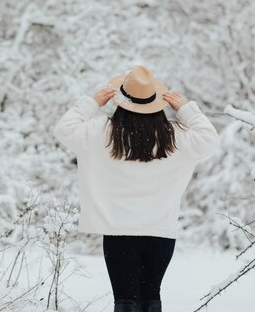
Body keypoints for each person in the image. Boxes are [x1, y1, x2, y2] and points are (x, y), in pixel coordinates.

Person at [52, 65, 220, 312]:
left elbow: (63, 129)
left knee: (125, 300)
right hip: (161, 232)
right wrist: (185, 108)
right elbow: (210, 138)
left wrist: (92, 102)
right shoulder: (176, 136)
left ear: (121, 101)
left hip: (118, 232)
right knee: (151, 296)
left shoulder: (101, 132)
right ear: (156, 102)